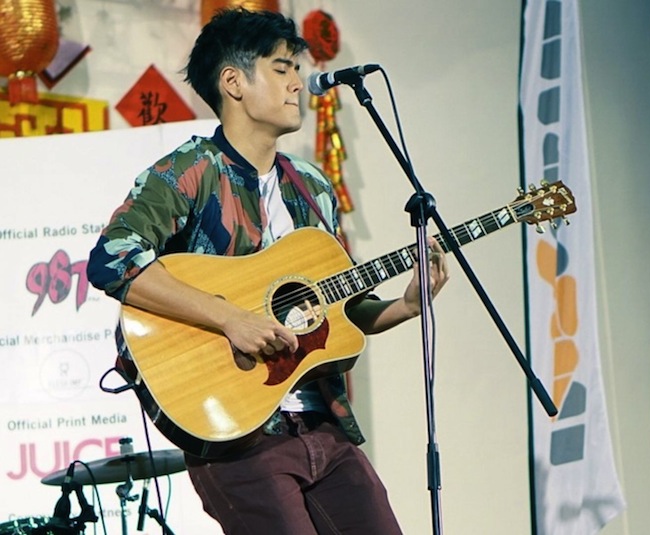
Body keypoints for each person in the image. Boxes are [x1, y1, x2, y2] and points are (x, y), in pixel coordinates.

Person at [86, 7, 449, 534]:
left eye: (296, 69)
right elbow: (113, 259)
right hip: (239, 435)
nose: (298, 83)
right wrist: (231, 319)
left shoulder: (311, 185)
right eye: (282, 69)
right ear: (233, 82)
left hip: (324, 425)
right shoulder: (190, 171)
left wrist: (407, 305)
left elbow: (339, 312)